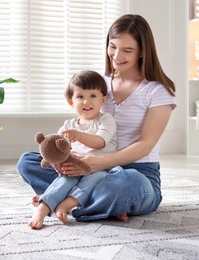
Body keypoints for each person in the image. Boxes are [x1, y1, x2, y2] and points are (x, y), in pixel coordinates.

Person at [17, 14, 176, 223]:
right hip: (86, 167)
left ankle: (59, 198)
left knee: (129, 183)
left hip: (136, 171)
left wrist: (98, 164)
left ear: (142, 52)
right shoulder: (99, 84)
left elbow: (145, 145)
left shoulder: (158, 91)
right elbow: (82, 121)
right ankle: (94, 204)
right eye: (113, 46)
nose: (117, 55)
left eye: (127, 50)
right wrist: (62, 158)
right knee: (28, 161)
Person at [28, 70, 117, 229]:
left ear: (103, 99)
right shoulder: (68, 125)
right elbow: (55, 147)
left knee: (96, 179)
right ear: (71, 101)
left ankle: (66, 204)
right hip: (72, 167)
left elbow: (100, 142)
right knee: (63, 179)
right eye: (80, 96)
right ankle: (42, 209)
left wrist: (80, 136)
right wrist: (54, 161)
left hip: (99, 168)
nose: (86, 101)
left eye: (93, 96)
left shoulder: (106, 120)